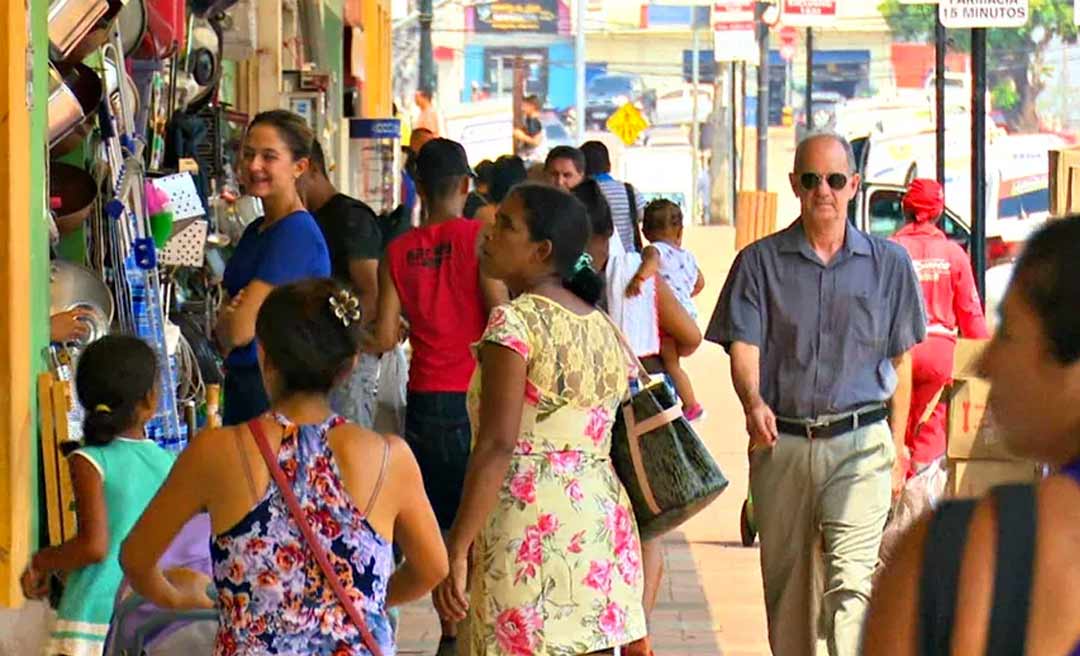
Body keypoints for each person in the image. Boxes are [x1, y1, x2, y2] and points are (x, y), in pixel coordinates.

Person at [120, 279, 448, 654]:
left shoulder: (215, 451)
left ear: (265, 357)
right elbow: (432, 567)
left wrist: (176, 597)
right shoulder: (391, 457)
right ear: (350, 363)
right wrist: (359, 602)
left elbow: (136, 558)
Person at [705, 131, 926, 656]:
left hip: (861, 444)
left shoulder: (890, 265)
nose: (822, 190)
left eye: (833, 179)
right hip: (783, 445)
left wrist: (898, 447)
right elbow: (744, 346)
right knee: (791, 595)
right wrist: (753, 402)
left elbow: (902, 362)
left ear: (853, 185)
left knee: (852, 584)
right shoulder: (758, 263)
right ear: (795, 186)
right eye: (811, 180)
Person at [433, 183, 648, 655]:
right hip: (600, 528)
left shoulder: (513, 324)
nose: (489, 234)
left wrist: (458, 546)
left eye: (506, 225)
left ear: (541, 251)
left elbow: (497, 445)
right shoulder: (603, 326)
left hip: (529, 530)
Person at [864, 216, 1080, 655]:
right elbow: (970, 317)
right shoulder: (950, 253)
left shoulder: (954, 557)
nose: (985, 363)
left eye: (1010, 333)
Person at [367, 138, 507, 655]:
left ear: (418, 188)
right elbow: (500, 315)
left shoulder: (397, 251)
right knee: (477, 524)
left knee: (440, 524)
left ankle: (450, 635)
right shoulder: (481, 239)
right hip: (476, 400)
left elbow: (385, 337)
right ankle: (473, 632)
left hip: (425, 400)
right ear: (467, 186)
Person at [575, 180, 701, 639]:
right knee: (647, 521)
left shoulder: (558, 283)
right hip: (640, 407)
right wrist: (664, 351)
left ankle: (613, 628)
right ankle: (637, 633)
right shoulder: (638, 274)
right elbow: (691, 336)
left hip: (585, 417)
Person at [21, 335, 176, 656]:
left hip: (92, 616)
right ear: (150, 399)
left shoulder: (90, 460)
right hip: (146, 615)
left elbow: (93, 546)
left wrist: (42, 560)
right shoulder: (169, 464)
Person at [216, 110, 331, 425]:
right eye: (248, 154)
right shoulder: (256, 230)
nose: (254, 166)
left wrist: (236, 314)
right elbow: (223, 330)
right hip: (244, 388)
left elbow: (238, 330)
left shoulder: (296, 234)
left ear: (299, 166)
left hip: (274, 397)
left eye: (269, 157)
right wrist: (233, 315)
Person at [890, 178, 989, 477]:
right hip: (940, 357)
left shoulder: (890, 250)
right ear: (938, 212)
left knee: (897, 428)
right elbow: (972, 319)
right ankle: (921, 485)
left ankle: (898, 478)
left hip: (899, 354)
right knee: (930, 434)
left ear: (905, 209)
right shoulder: (954, 255)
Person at [299, 138, 385, 428]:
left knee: (347, 444)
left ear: (311, 168)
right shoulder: (305, 220)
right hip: (320, 361)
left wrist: (337, 344)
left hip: (348, 363)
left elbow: (371, 294)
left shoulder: (350, 218)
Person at [628, 199, 706, 422]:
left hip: (669, 321)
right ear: (680, 231)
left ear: (645, 232)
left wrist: (639, 279)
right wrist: (683, 293)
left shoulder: (653, 250)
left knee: (671, 364)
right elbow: (700, 282)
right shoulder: (687, 256)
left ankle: (692, 405)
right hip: (688, 315)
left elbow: (652, 263)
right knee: (673, 362)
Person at [581, 140, 645, 253]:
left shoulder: (581, 193)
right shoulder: (629, 191)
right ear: (608, 165)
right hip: (627, 258)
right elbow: (642, 216)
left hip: (594, 257)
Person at [513, 94, 544, 164]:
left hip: (532, 158)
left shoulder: (534, 121)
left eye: (525, 106)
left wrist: (522, 136)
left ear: (532, 106)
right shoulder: (529, 119)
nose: (522, 108)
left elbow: (536, 142)